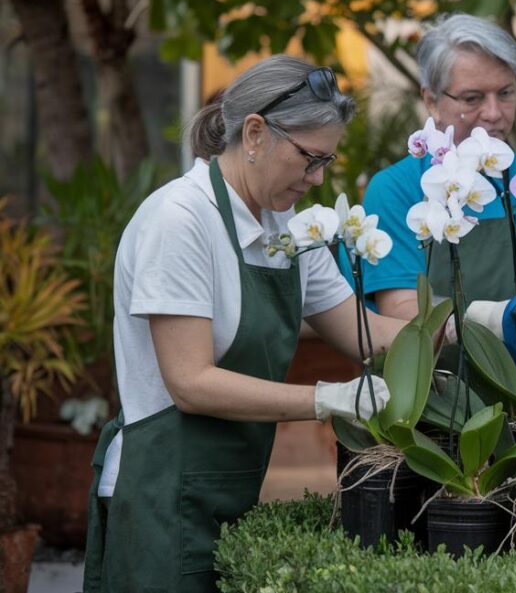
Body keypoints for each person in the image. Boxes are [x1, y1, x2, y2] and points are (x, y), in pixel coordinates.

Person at [83, 55, 407, 592]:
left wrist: (470, 327)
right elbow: (190, 382)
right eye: (309, 158)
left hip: (232, 490)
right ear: (255, 133)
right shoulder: (181, 220)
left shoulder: (290, 230)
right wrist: (326, 399)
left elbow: (363, 333)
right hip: (161, 495)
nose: (318, 178)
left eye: (327, 161)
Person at [359, 13, 516, 363]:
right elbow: (400, 313)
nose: (494, 113)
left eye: (505, 93)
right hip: (434, 394)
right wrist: (497, 322)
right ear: (432, 101)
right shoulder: (396, 189)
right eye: (472, 99)